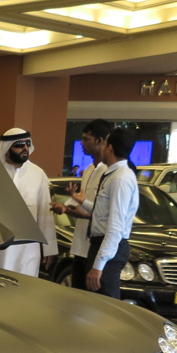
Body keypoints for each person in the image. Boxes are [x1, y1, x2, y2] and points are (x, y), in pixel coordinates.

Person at [0, 128, 57, 278]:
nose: (25, 148)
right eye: (19, 145)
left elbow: (45, 212)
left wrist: (49, 248)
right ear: (7, 148)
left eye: (27, 144)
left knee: (25, 289)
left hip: (28, 248)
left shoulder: (38, 174)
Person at [52, 119, 111, 290]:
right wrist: (65, 207)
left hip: (97, 248)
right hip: (80, 246)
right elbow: (80, 198)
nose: (81, 144)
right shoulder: (89, 170)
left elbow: (106, 212)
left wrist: (82, 213)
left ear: (100, 141)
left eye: (86, 139)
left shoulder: (109, 172)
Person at [86, 128, 140, 298]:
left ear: (109, 147)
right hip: (102, 245)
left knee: (106, 308)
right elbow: (103, 213)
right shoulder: (113, 174)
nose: (101, 148)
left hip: (109, 249)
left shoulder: (120, 178)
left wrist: (98, 265)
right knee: (95, 305)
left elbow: (115, 225)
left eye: (104, 144)